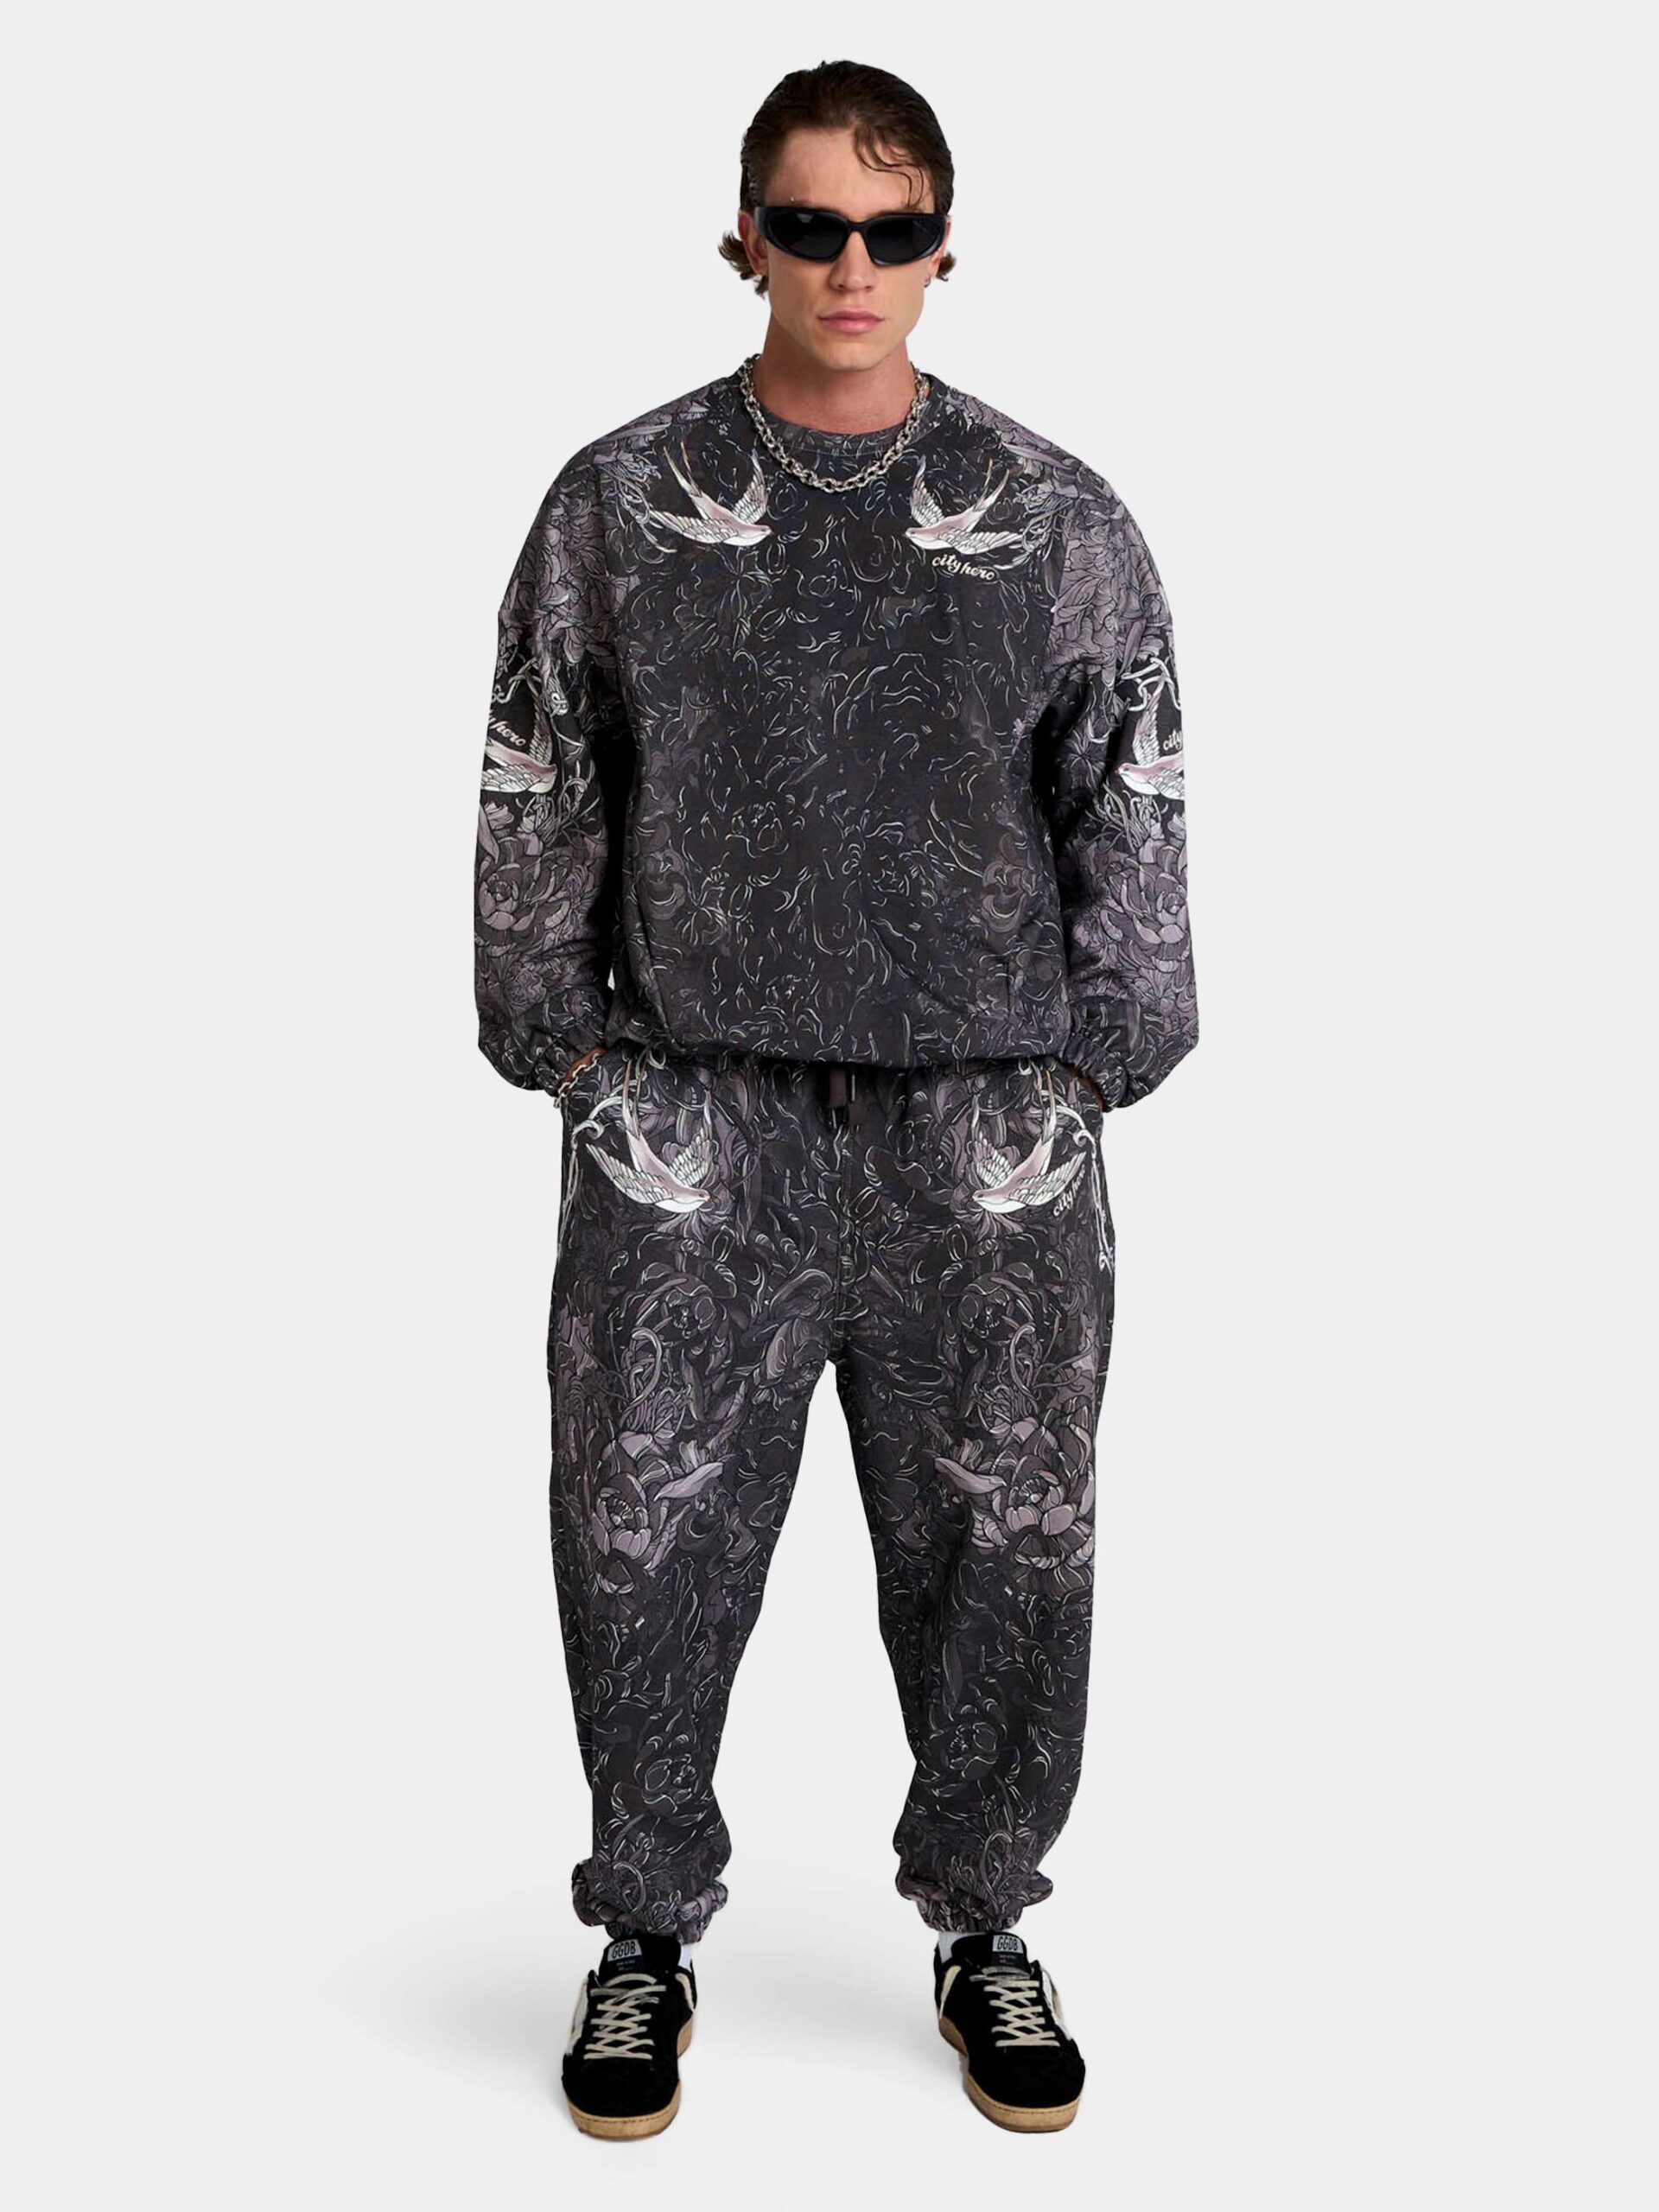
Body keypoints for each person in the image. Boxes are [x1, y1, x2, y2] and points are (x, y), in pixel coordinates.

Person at [473, 59, 1198, 2140]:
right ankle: (644, 1925)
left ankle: (986, 1916)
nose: (850, 264)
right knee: (641, 1529)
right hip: (696, 1124)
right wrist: (576, 1057)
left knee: (1009, 1538)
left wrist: (1089, 1071)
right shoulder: (620, 506)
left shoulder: (1058, 521)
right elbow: (542, 772)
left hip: (982, 1133)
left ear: (947, 250)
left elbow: (1132, 794)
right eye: (810, 225)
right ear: (745, 242)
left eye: (891, 230)